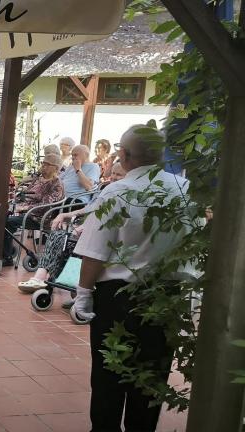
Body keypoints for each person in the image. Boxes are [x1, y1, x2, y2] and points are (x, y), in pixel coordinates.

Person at [70, 125, 189, 431]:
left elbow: (95, 252)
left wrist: (83, 295)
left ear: (123, 155)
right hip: (167, 297)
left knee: (109, 375)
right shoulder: (184, 190)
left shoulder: (118, 191)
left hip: (118, 298)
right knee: (151, 377)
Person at [18, 162, 127, 294]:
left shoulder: (124, 195)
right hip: (88, 227)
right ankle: (41, 277)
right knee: (58, 234)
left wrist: (86, 226)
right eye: (113, 173)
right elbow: (90, 208)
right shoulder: (106, 188)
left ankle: (47, 278)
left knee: (64, 240)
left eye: (119, 174)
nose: (114, 177)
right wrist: (65, 215)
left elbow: (109, 218)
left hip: (101, 233)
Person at [2, 153, 65, 264]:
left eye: (47, 164)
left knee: (8, 222)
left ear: (56, 168)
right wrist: (17, 201)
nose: (43, 166)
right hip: (27, 212)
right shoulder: (38, 179)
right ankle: (4, 248)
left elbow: (47, 204)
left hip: (40, 218)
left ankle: (7, 257)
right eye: (43, 163)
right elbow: (26, 194)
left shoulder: (57, 184)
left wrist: (25, 208)